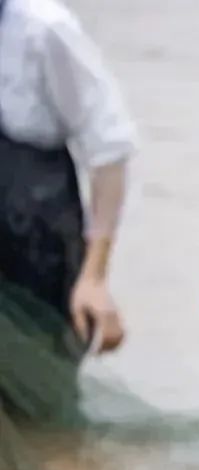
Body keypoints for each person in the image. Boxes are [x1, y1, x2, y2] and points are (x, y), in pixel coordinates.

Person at [0, 0, 134, 360]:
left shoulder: (44, 29)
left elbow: (109, 149)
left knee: (35, 391)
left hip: (36, 247)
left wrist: (94, 277)